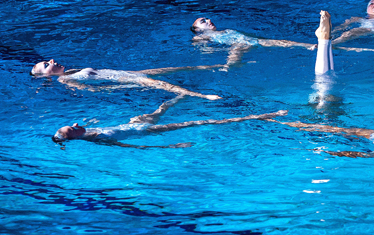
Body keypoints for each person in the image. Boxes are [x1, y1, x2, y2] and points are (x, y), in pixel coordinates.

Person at [51, 94, 288, 148]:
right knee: (203, 122)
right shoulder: (100, 140)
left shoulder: (88, 130)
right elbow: (135, 147)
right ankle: (263, 116)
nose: (74, 124)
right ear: (73, 136)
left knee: (164, 105)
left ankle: (185, 93)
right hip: (146, 130)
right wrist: (171, 146)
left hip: (134, 122)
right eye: (71, 128)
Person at [192, 17, 374, 68]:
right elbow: (202, 47)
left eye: (207, 19)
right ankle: (228, 67)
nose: (208, 21)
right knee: (234, 58)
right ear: (198, 29)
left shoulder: (225, 30)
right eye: (203, 22)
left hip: (249, 41)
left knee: (281, 42)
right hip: (238, 45)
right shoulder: (200, 36)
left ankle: (308, 46)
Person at [31, 59, 222, 100]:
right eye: (46, 65)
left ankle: (214, 65)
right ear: (46, 77)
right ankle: (202, 96)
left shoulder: (71, 71)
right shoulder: (65, 81)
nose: (52, 61)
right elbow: (95, 90)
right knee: (163, 85)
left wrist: (135, 73)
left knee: (176, 66)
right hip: (127, 80)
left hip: (131, 72)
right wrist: (127, 84)